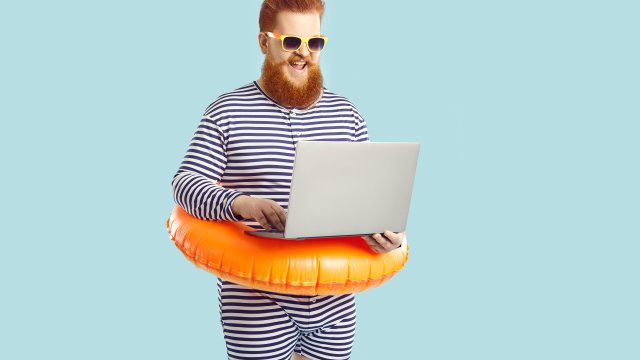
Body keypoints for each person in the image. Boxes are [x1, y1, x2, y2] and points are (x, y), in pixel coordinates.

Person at [171, 1, 405, 359]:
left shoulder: (347, 114)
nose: (304, 54)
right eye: (292, 41)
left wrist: (386, 233)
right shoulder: (227, 110)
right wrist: (240, 203)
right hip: (256, 296)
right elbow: (186, 182)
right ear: (265, 43)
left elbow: (368, 195)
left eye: (315, 43)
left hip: (335, 299)